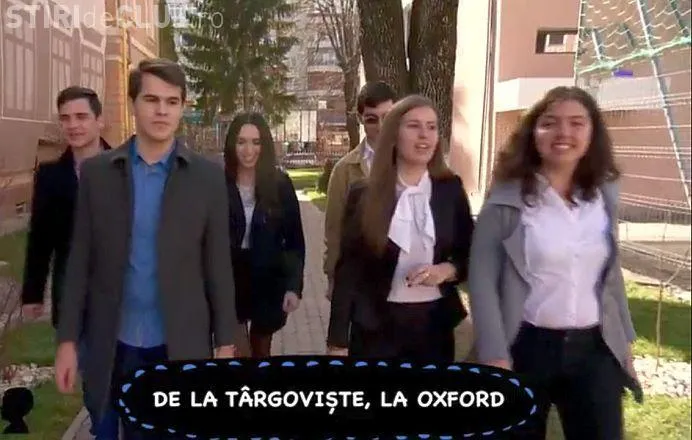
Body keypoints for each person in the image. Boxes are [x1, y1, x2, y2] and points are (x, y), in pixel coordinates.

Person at [53, 58, 240, 440]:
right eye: (152, 99)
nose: (162, 111)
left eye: (172, 102)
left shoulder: (206, 178)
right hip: (115, 343)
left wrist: (225, 343)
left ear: (183, 107)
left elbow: (219, 267)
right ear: (133, 103)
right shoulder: (99, 174)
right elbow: (79, 261)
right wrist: (68, 340)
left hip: (179, 343)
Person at [467, 86, 640, 439]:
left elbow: (610, 275)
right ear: (533, 133)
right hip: (525, 347)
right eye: (550, 123)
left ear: (592, 133)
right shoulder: (506, 198)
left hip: (595, 350)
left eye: (577, 123)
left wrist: (624, 344)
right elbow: (482, 281)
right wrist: (494, 354)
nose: (563, 133)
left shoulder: (603, 194)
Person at [326, 95, 474, 363]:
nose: (424, 135)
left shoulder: (450, 190)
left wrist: (445, 271)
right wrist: (337, 341)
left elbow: (470, 256)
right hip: (375, 331)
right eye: (414, 126)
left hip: (433, 329)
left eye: (431, 127)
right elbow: (348, 271)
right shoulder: (364, 194)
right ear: (393, 135)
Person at [21, 86, 110, 327]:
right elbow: (39, 238)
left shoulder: (126, 168)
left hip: (122, 295)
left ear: (99, 121)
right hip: (71, 293)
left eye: (81, 117)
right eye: (65, 118)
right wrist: (32, 294)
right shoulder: (50, 176)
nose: (73, 125)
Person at [224, 112, 306, 357]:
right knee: (237, 350)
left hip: (268, 280)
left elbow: (294, 241)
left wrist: (293, 287)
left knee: (261, 351)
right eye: (241, 142)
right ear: (232, 144)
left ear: (265, 145)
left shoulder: (280, 184)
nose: (248, 150)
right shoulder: (218, 183)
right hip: (230, 280)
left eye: (256, 142)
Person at [323, 81, 396, 300]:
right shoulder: (345, 170)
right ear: (360, 118)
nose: (381, 126)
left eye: (387, 117)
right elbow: (334, 230)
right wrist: (332, 277)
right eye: (372, 119)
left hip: (404, 277)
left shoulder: (414, 162)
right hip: (361, 280)